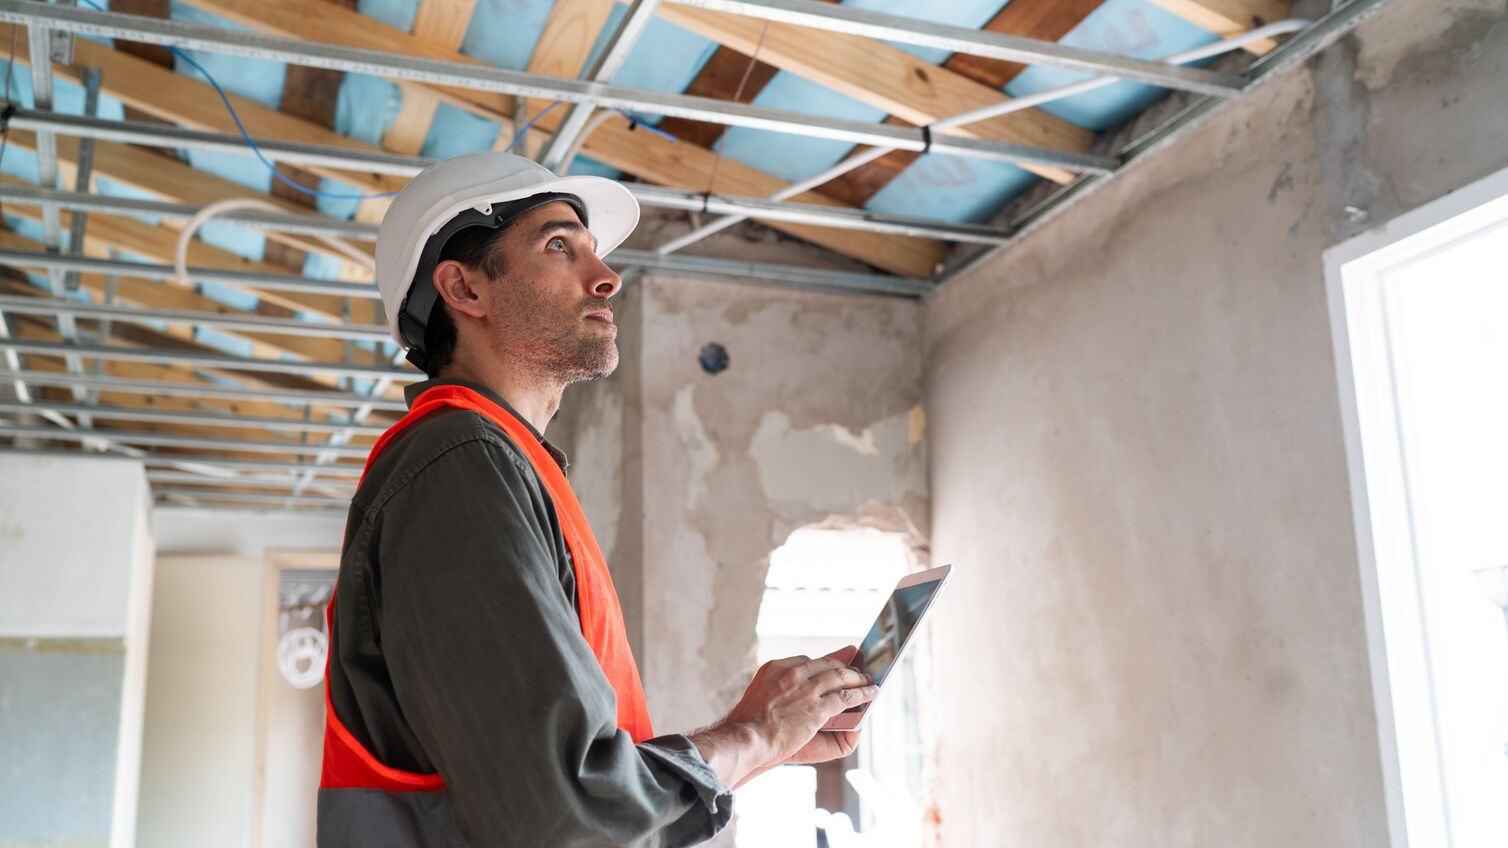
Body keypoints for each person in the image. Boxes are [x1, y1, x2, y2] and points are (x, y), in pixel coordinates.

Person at [316, 151, 879, 847]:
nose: (607, 277)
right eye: (560, 246)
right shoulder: (460, 462)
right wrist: (754, 733)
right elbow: (565, 819)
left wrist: (762, 746)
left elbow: (578, 810)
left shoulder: (504, 464)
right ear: (464, 288)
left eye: (595, 251)